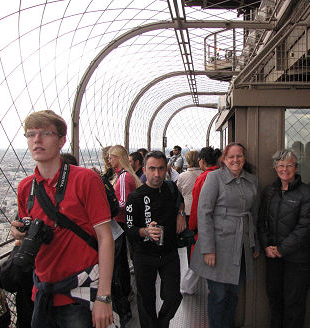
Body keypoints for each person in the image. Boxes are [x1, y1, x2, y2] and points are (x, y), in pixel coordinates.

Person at [10, 110, 116, 328]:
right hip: (42, 292)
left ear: (62, 140)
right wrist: (19, 233)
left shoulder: (86, 180)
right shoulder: (25, 188)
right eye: (30, 134)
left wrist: (104, 297)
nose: (36, 140)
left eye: (45, 133)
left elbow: (105, 238)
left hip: (80, 293)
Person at [190, 142, 259, 328]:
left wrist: (255, 245)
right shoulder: (214, 178)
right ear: (224, 159)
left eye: (239, 156)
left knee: (233, 293)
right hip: (218, 247)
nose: (235, 160)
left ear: (244, 158)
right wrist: (208, 249)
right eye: (231, 156)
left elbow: (255, 215)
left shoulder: (252, 180)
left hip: (241, 246)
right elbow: (204, 214)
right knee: (219, 294)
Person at [125, 151, 186, 328]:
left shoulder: (170, 188)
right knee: (146, 302)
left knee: (174, 296)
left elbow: (180, 201)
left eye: (161, 169)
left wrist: (181, 214)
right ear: (144, 170)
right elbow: (129, 229)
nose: (157, 174)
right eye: (152, 169)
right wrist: (145, 231)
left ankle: (162, 323)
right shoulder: (135, 197)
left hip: (169, 253)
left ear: (166, 169)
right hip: (144, 255)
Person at [257, 149, 310, 328]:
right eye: (281, 165)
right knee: (275, 300)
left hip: (298, 260)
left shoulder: (307, 193)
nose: (284, 169)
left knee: (294, 303)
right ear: (275, 168)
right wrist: (267, 246)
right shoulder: (269, 192)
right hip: (273, 258)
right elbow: (262, 221)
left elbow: (304, 227)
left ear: (296, 167)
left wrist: (282, 249)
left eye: (289, 165)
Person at [180, 146, 221, 295]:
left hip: (204, 226)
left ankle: (187, 288)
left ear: (202, 161)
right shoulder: (222, 174)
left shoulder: (204, 177)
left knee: (196, 257)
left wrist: (193, 226)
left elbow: (198, 205)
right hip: (221, 226)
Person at [108, 145, 141, 318]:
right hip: (124, 223)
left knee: (120, 262)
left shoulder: (123, 178)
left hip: (120, 223)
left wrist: (106, 208)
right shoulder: (127, 176)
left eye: (111, 157)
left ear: (118, 158)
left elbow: (122, 203)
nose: (109, 160)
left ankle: (125, 292)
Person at [176, 150, 202, 263]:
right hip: (201, 210)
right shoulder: (204, 174)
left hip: (187, 211)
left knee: (189, 240)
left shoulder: (182, 176)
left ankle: (191, 262)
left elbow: (179, 192)